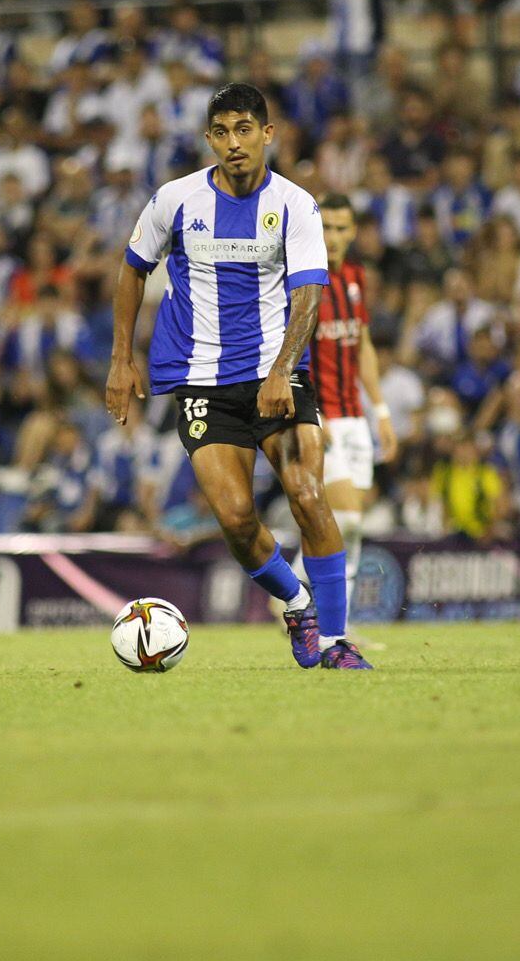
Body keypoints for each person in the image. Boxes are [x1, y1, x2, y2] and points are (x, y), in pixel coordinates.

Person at [106, 83, 370, 670]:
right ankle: (298, 604)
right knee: (234, 516)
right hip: (200, 381)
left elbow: (308, 296)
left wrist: (281, 369)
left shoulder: (297, 206)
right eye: (222, 132)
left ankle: (335, 643)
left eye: (245, 129)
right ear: (209, 139)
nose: (234, 143)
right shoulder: (174, 200)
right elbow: (131, 272)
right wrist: (122, 358)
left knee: (306, 494)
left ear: (268, 134)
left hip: (277, 378)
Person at [303, 194, 398, 609]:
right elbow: (291, 353)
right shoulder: (305, 281)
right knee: (347, 518)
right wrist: (310, 415)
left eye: (341, 228)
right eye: (326, 228)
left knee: (352, 525)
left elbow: (363, 348)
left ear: (353, 232)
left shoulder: (355, 278)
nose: (333, 237)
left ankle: (333, 615)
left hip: (356, 417)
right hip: (323, 416)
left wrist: (381, 412)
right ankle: (302, 599)